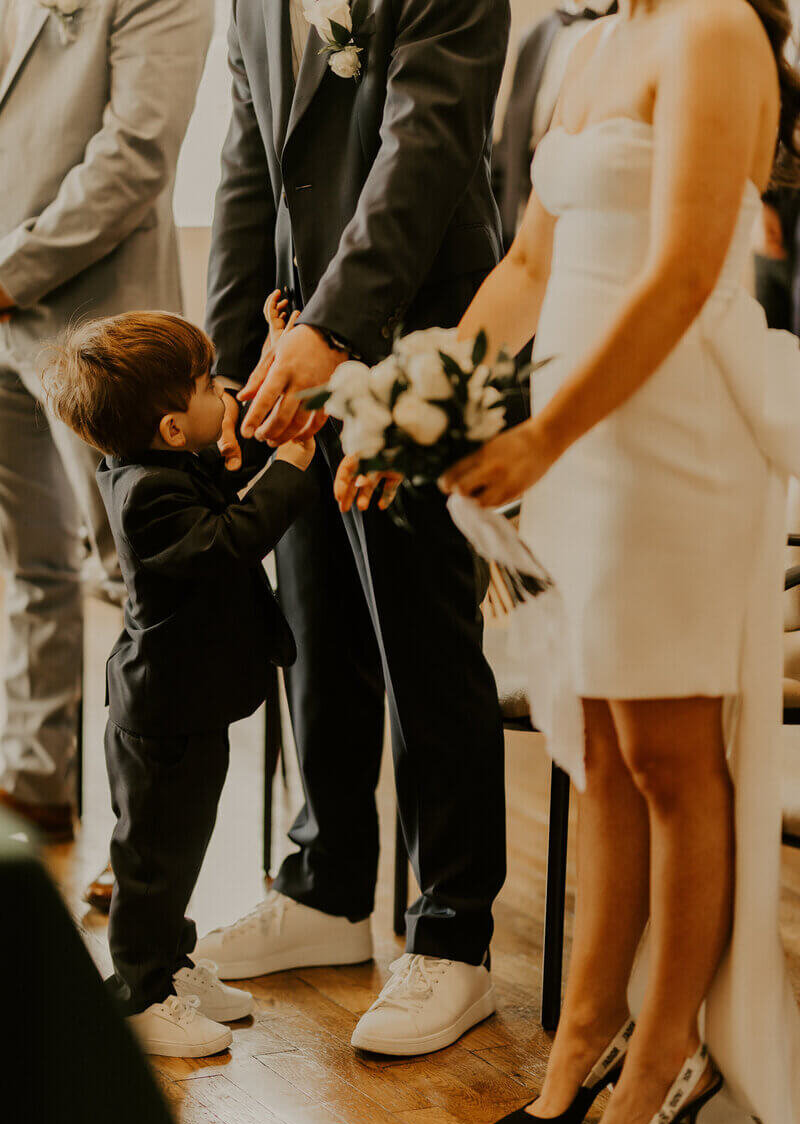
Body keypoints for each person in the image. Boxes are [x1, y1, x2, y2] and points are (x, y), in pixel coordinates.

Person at [441, 0, 800, 1124]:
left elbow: (687, 265)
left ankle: (663, 1060)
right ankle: (578, 1043)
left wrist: (543, 434)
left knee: (670, 756)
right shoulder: (585, 41)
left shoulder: (713, 33)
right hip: (576, 440)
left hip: (670, 426)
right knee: (591, 747)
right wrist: (424, 393)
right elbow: (531, 262)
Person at [197, 0, 510, 1057]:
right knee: (315, 619)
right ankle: (328, 887)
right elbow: (247, 166)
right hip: (290, 347)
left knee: (422, 632)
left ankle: (452, 934)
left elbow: (425, 140)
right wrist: (229, 367)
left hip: (419, 324)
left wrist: (337, 328)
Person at [43, 309, 317, 1058]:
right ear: (170, 428)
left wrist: (267, 360)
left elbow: (222, 458)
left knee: (182, 846)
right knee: (151, 859)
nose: (216, 392)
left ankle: (172, 965)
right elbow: (229, 541)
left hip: (189, 705)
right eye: (204, 383)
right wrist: (288, 471)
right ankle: (138, 991)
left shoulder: (159, 462)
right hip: (160, 713)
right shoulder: (147, 496)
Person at [0, 0, 212, 843]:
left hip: (99, 333)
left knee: (135, 579)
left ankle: (148, 837)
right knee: (28, 563)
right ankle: (33, 781)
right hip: (5, 327)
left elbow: (134, 157)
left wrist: (8, 273)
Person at [493, 2, 617, 249]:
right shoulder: (536, 34)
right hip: (517, 230)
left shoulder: (629, 32)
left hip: (586, 232)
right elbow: (508, 144)